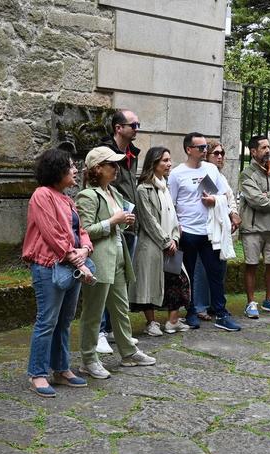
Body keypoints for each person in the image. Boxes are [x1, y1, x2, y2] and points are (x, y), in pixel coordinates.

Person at [77, 146, 157, 378]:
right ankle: (88, 358)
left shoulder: (113, 192)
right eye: (111, 164)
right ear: (97, 168)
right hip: (100, 261)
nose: (116, 168)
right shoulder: (87, 195)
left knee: (120, 308)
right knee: (93, 312)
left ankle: (128, 351)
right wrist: (114, 221)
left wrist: (122, 222)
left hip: (118, 259)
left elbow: (114, 226)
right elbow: (85, 231)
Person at [24, 148, 94, 397]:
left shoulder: (66, 198)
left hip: (71, 264)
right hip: (49, 266)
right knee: (47, 321)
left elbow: (81, 229)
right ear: (57, 169)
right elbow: (52, 234)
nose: (76, 170)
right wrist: (76, 257)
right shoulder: (41, 196)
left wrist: (85, 249)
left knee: (64, 321)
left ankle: (61, 369)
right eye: (71, 166)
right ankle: (37, 373)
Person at [170, 133, 241, 332]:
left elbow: (220, 194)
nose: (204, 151)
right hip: (188, 231)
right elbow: (171, 204)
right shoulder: (177, 174)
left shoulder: (210, 169)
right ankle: (191, 311)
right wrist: (177, 229)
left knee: (216, 273)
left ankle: (221, 312)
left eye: (205, 147)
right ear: (188, 150)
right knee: (188, 275)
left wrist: (217, 203)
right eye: (200, 147)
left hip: (209, 231)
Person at [96, 110, 142, 354]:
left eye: (138, 124)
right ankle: (100, 331)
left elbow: (129, 187)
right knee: (105, 278)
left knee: (121, 280)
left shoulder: (132, 153)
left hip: (128, 221)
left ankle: (115, 328)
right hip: (111, 221)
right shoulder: (105, 153)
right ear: (117, 127)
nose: (137, 128)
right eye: (132, 124)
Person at [130, 146, 190, 335]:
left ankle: (172, 321)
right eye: (164, 160)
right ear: (154, 163)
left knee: (178, 281)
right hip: (151, 244)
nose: (169, 164)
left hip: (169, 243)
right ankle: (152, 322)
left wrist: (174, 238)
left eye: (169, 160)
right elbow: (148, 220)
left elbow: (173, 217)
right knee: (149, 284)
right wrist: (165, 241)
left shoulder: (166, 187)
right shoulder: (143, 189)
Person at [237, 135, 270, 318]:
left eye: (269, 147)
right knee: (251, 265)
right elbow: (258, 201)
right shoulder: (246, 174)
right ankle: (251, 302)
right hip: (253, 229)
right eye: (264, 147)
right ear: (253, 151)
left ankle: (269, 299)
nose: (268, 150)